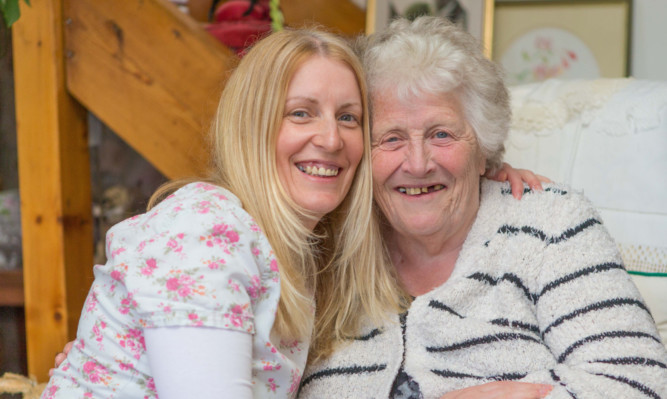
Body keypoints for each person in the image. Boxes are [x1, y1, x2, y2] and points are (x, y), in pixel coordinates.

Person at [44, 24, 545, 399]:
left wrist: (483, 167)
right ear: (253, 126)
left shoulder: (312, 250)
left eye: (348, 117)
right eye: (300, 112)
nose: (330, 139)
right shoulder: (206, 228)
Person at [298, 17, 667, 399]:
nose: (418, 163)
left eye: (441, 134)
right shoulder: (325, 244)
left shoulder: (549, 224)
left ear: (483, 149)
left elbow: (640, 383)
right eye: (391, 139)